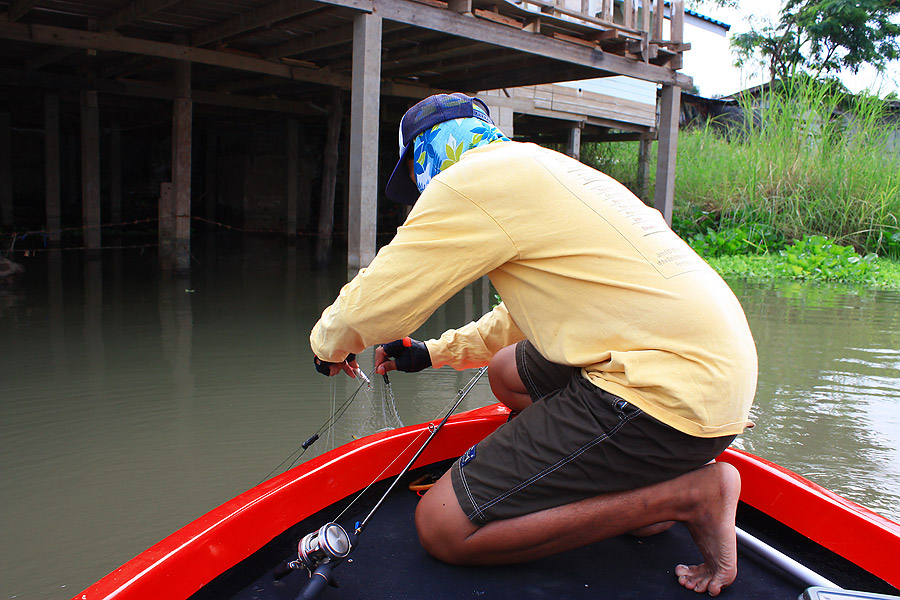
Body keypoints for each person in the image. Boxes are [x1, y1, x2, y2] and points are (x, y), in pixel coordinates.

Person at [310, 92, 757, 596]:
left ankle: (692, 493)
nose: (416, 190)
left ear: (425, 154)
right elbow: (522, 318)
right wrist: (432, 353)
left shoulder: (467, 181)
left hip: (665, 398)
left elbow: (376, 302)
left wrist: (329, 344)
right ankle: (618, 476)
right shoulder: (544, 167)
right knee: (506, 369)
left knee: (441, 527)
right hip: (715, 379)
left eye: (413, 175)